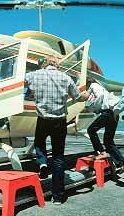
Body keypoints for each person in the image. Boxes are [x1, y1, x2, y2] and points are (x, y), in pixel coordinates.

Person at [25, 55, 88, 205]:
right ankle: (58, 197)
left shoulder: (33, 75)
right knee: (59, 156)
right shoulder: (65, 78)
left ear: (45, 64)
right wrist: (85, 96)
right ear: (57, 65)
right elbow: (78, 97)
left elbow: (19, 82)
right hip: (59, 122)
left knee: (39, 143)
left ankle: (42, 163)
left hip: (43, 119)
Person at [84, 78, 124, 171]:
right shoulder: (102, 87)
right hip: (114, 114)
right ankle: (121, 163)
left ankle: (101, 152)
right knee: (108, 141)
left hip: (107, 113)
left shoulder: (93, 86)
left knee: (90, 130)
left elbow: (100, 96)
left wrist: (92, 108)